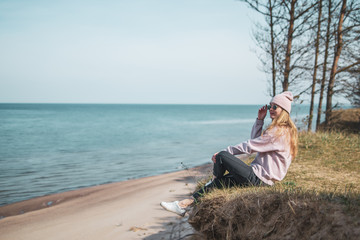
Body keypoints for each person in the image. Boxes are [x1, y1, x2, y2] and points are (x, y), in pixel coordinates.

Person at [160, 91, 298, 217]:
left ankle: (214, 179)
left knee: (222, 156)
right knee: (219, 182)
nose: (271, 110)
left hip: (260, 179)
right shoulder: (283, 131)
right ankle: (182, 205)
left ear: (284, 110)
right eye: (270, 106)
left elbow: (250, 146)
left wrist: (225, 152)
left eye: (275, 107)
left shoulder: (279, 132)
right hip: (261, 179)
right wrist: (259, 120)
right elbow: (256, 142)